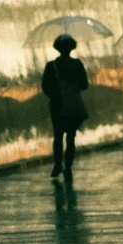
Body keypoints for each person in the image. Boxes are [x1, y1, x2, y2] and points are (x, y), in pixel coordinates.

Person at [41, 34, 89, 180]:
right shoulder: (77, 64)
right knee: (71, 137)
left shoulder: (51, 66)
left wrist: (56, 94)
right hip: (73, 105)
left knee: (58, 136)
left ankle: (57, 165)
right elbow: (84, 85)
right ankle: (68, 167)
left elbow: (45, 87)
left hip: (57, 105)